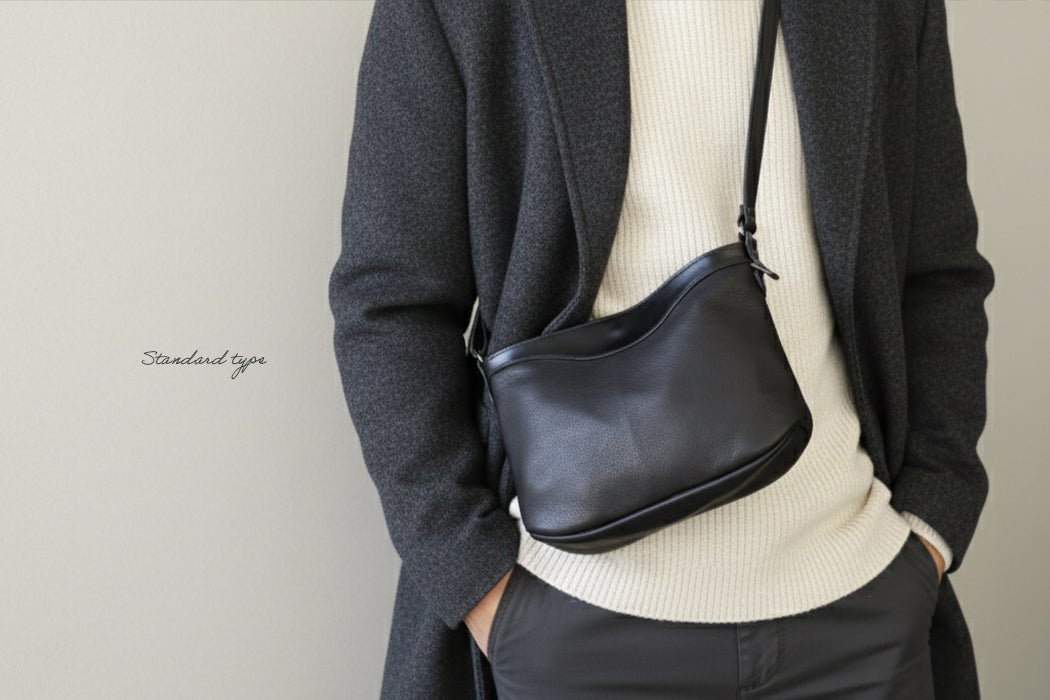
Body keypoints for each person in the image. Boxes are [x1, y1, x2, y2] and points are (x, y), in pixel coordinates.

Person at [328, 1, 994, 698]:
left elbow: (939, 273)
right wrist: (475, 580)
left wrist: (933, 520)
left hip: (861, 612)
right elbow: (391, 302)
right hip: (570, 623)